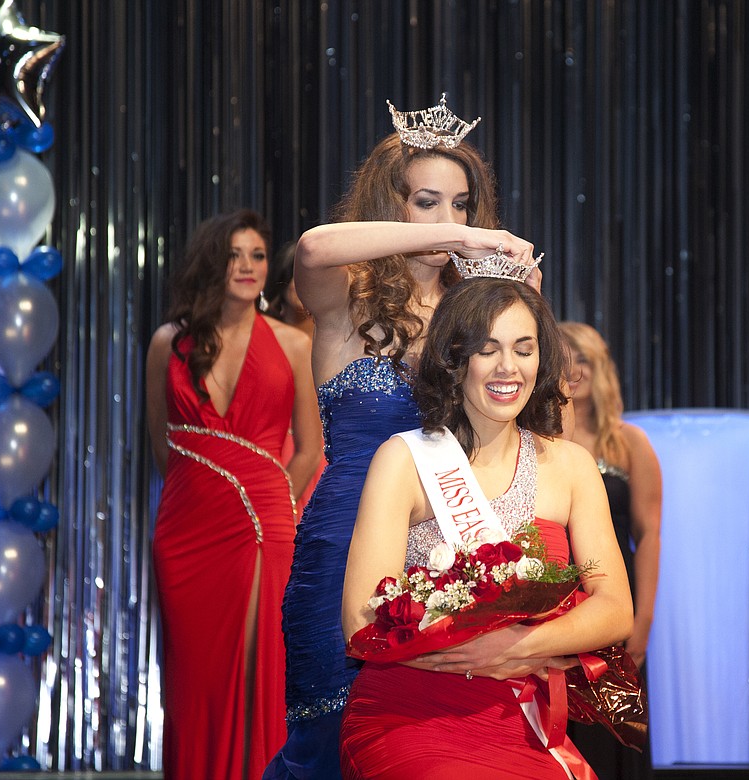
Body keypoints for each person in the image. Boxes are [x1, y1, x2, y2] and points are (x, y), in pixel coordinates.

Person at [263, 94, 540, 779]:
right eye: (427, 202)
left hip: (450, 544)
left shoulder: (473, 315)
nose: (450, 221)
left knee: (435, 744)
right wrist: (472, 243)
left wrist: (527, 304)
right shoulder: (346, 300)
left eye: (463, 205)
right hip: (345, 542)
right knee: (331, 743)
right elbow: (311, 246)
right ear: (392, 204)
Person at [339, 277, 634, 778]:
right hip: (410, 712)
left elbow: (615, 609)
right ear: (455, 359)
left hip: (522, 718)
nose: (508, 368)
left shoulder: (572, 466)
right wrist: (477, 654)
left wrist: (517, 648)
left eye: (524, 349)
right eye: (487, 349)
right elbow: (361, 622)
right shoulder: (404, 459)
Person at [145, 208, 322, 780]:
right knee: (194, 680)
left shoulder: (296, 343)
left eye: (258, 255)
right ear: (211, 262)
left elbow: (310, 449)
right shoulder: (168, 344)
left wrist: (273, 504)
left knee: (262, 672)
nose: (247, 267)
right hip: (186, 532)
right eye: (234, 255)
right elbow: (161, 444)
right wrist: (212, 490)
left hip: (264, 527)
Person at [559, 321, 661, 779]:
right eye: (561, 358)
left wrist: (643, 620)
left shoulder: (631, 442)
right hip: (554, 595)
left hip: (615, 594)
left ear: (598, 368)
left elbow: (651, 533)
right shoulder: (539, 442)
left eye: (580, 357)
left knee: (614, 728)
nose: (571, 369)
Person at [265, 240, 325, 517]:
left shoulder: (340, 341)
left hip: (323, 458)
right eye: (295, 275)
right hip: (272, 456)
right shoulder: (261, 340)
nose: (301, 284)